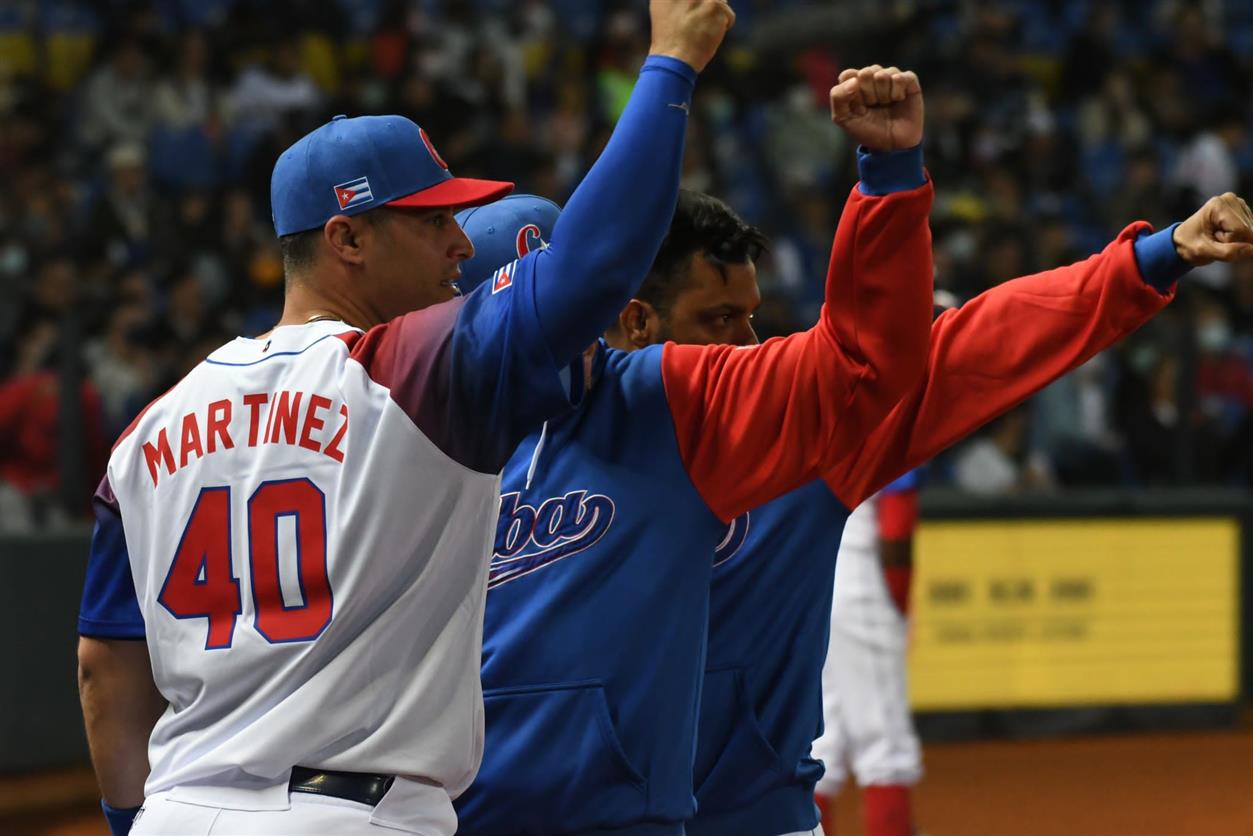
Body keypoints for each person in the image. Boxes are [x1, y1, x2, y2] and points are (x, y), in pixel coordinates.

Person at [74, 3, 736, 834]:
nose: (461, 244)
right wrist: (671, 62)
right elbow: (594, 267)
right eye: (433, 221)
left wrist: (133, 822)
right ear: (347, 239)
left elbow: (106, 669)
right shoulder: (409, 373)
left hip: (179, 809)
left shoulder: (146, 433)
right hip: (348, 813)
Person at [457, 159, 1253, 836]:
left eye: (748, 317)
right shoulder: (446, 454)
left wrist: (1152, 259)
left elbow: (979, 344)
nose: (749, 344)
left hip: (751, 816)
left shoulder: (803, 422)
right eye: (718, 320)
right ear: (628, 321)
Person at [452, 63, 938, 836]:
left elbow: (879, 360)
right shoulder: (412, 433)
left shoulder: (659, 403)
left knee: (870, 737)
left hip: (647, 808)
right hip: (474, 808)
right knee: (870, 737)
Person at [811, 471, 923, 836]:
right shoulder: (886, 428)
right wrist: (898, 608)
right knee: (886, 744)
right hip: (861, 581)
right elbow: (896, 523)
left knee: (820, 740)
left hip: (807, 586)